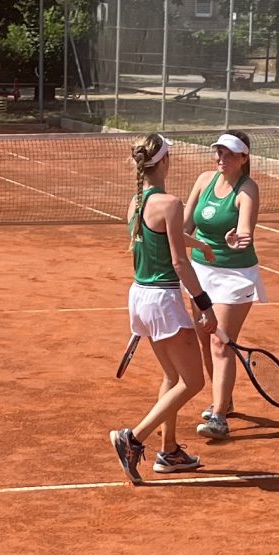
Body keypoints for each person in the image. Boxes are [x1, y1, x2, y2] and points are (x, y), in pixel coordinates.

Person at [110, 133, 216, 483]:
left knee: (172, 376)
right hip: (163, 301)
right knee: (194, 381)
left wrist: (197, 242)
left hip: (140, 298)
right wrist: (205, 306)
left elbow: (163, 234)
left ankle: (169, 452)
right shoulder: (171, 203)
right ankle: (133, 438)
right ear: (165, 161)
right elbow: (179, 263)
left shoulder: (136, 202)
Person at [186, 132, 266, 439]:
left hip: (235, 275)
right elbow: (184, 227)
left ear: (244, 158)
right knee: (204, 339)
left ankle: (218, 417)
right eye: (219, 152)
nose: (222, 158)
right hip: (199, 273)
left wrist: (235, 240)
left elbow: (245, 231)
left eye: (229, 153)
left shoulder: (247, 189)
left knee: (221, 342)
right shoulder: (204, 180)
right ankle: (224, 399)